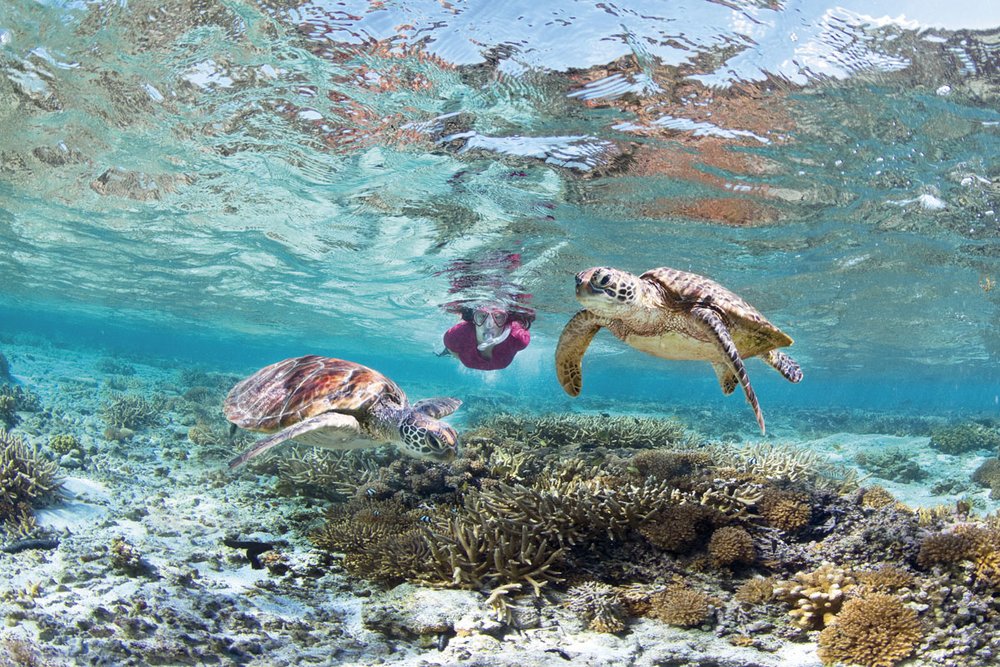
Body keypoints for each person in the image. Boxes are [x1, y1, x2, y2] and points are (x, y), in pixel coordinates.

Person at [439, 304, 533, 371]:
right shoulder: (456, 336)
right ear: (473, 318)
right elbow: (451, 349)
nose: (488, 325)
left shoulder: (518, 337)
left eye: (498, 317)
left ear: (506, 321)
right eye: (482, 316)